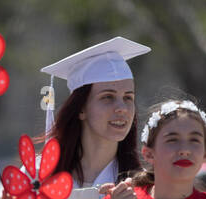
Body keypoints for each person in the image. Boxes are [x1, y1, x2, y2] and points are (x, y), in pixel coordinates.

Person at [41, 37, 149, 188]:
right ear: (80, 108)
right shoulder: (38, 176)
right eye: (108, 97)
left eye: (128, 97)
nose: (122, 108)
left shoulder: (142, 186)